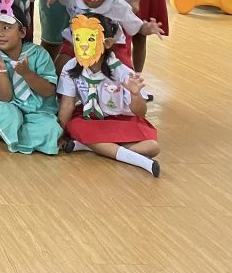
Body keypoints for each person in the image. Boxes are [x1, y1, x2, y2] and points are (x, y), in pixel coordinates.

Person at [57, 14, 160, 176]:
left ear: (108, 43)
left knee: (153, 147)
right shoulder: (71, 67)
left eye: (90, 39)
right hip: (90, 119)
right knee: (75, 125)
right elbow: (67, 104)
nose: (83, 45)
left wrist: (135, 95)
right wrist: (60, 134)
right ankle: (138, 160)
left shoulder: (122, 71)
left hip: (121, 120)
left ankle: (88, 146)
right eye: (78, 39)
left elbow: (141, 112)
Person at [0, 0, 62, 155]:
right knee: (9, 115)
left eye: (6, 28)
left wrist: (27, 74)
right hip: (7, 108)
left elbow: (48, 91)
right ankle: (16, 134)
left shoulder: (38, 54)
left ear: (22, 32)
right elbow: (4, 98)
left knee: (50, 128)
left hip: (37, 111)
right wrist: (1, 68)